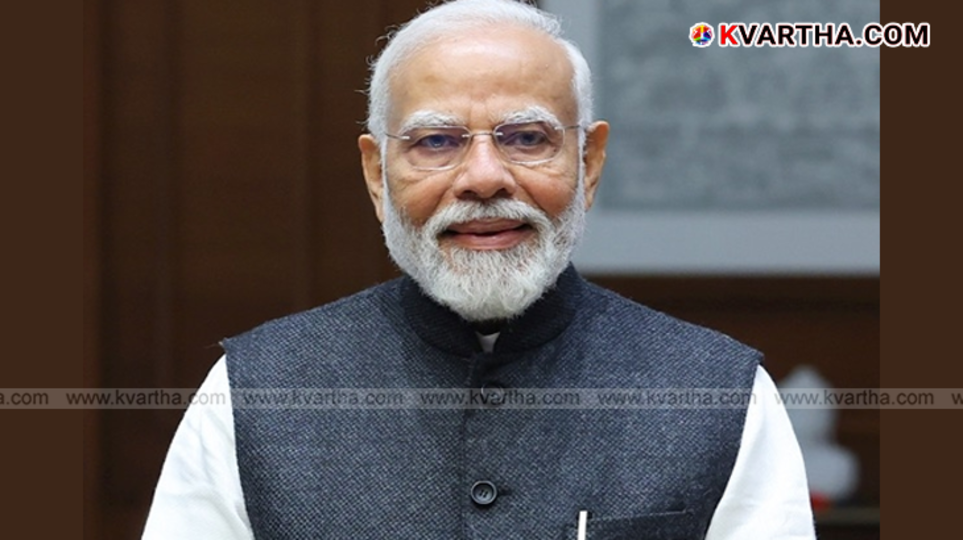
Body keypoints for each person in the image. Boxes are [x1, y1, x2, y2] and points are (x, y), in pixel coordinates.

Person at [142, 0, 815, 538]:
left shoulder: (721, 396)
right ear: (377, 174)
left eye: (527, 138)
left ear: (589, 164)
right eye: (436, 141)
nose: (484, 178)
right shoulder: (251, 393)